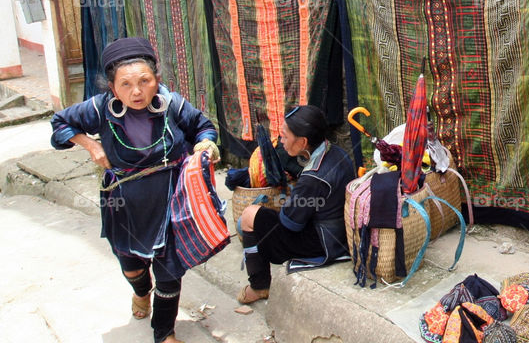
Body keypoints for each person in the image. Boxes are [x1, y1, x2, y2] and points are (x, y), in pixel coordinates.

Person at [51, 37, 219, 343]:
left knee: (170, 269)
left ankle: (164, 333)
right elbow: (60, 124)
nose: (137, 92)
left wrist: (205, 143)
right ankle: (141, 292)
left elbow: (202, 125)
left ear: (157, 79)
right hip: (125, 203)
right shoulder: (100, 109)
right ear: (113, 88)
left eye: (145, 81)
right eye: (126, 84)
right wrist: (90, 144)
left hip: (171, 198)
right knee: (132, 267)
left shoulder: (170, 103)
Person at [236, 104, 355, 304]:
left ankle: (259, 286)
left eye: (285, 136)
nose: (281, 141)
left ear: (303, 141)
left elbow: (290, 223)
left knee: (248, 217)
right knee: (261, 213)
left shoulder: (313, 178)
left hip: (323, 241)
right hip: (338, 231)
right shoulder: (336, 152)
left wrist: (281, 205)